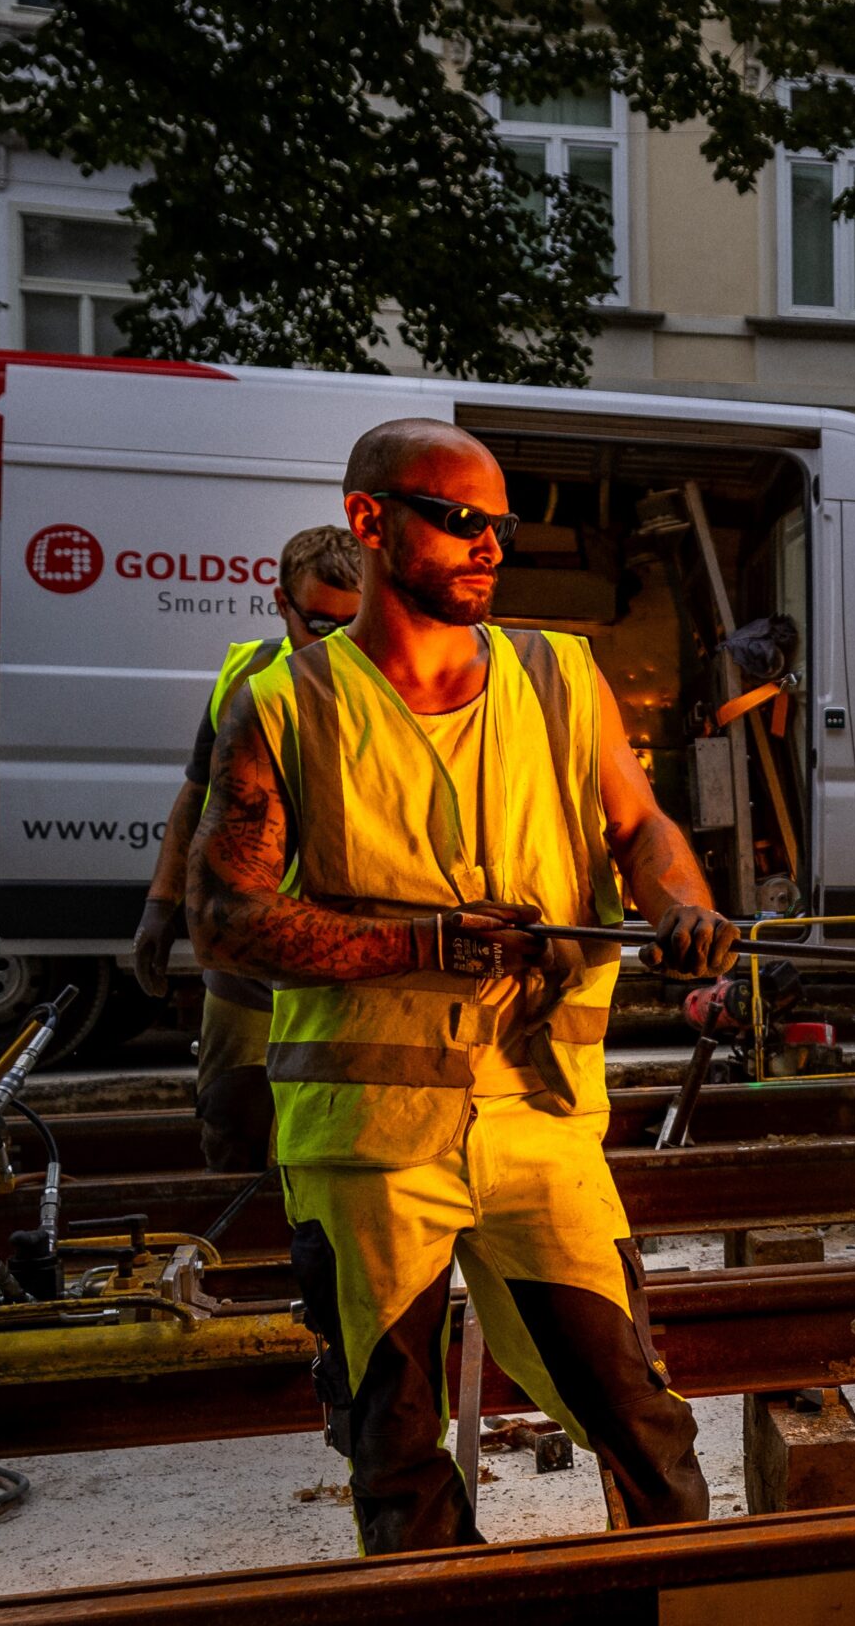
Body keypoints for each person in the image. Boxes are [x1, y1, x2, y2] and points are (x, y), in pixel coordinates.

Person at [187, 417, 739, 1553]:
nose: (487, 544)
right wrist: (419, 946)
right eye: (457, 519)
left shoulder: (557, 673)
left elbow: (640, 826)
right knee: (398, 1456)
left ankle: (676, 1618)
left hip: (538, 1119)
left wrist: (678, 905)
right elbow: (225, 919)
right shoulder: (287, 703)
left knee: (641, 1417)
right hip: (367, 1143)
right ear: (370, 521)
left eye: (499, 524)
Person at [134, 525, 363, 1172]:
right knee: (234, 1120)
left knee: (338, 1140)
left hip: (345, 957)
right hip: (247, 956)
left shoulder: (395, 683)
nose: (339, 645)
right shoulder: (247, 676)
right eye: (321, 624)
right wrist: (160, 902)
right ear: (280, 604)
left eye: (355, 624)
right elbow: (197, 791)